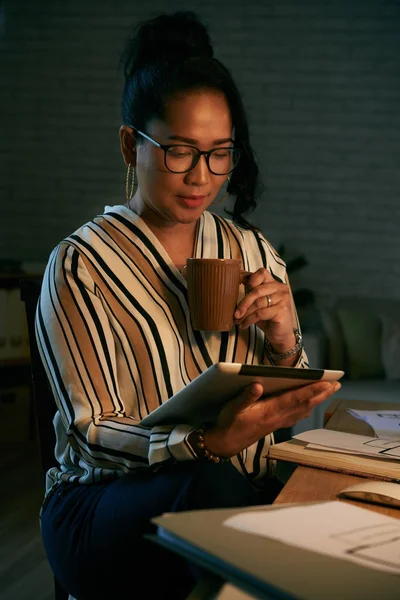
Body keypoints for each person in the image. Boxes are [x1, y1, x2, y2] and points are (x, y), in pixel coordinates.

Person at [36, 11, 340, 600]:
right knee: (207, 484)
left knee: (315, 495)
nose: (201, 176)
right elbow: (90, 431)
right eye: (179, 151)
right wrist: (204, 443)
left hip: (233, 494)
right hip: (103, 507)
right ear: (132, 144)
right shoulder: (81, 262)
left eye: (219, 153)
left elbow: (288, 408)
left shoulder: (250, 249)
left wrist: (285, 344)